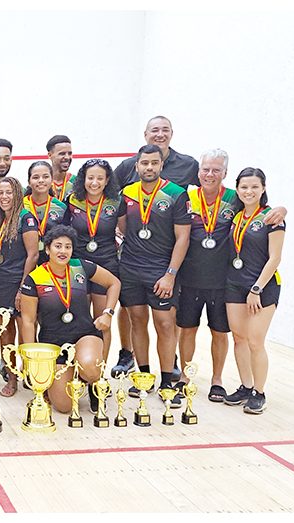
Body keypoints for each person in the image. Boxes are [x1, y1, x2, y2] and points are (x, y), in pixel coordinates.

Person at [177, 150, 286, 402]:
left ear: (225, 175)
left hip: (243, 286)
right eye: (206, 169)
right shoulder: (198, 201)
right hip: (214, 283)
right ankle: (233, 385)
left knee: (243, 338)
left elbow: (274, 252)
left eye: (216, 170)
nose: (210, 174)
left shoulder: (250, 209)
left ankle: (244, 388)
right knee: (227, 336)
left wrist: (283, 208)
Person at [112, 116, 199, 379]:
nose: (149, 167)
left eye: (154, 163)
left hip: (162, 270)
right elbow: (123, 227)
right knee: (137, 320)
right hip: (130, 268)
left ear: (162, 164)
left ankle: (168, 379)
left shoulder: (175, 193)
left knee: (164, 322)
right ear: (136, 166)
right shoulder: (126, 193)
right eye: (144, 163)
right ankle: (144, 375)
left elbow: (183, 238)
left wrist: (170, 274)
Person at [19, 226, 120, 413]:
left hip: (84, 335)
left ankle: (94, 384)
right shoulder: (35, 278)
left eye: (68, 247)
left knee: (90, 366)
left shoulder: (81, 267)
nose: (63, 251)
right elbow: (28, 321)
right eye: (58, 246)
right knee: (64, 407)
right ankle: (72, 374)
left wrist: (108, 313)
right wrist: (31, 359)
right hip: (53, 344)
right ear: (47, 249)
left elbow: (114, 283)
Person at [223, 168, 284, 414]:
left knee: (255, 341)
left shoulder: (272, 218)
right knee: (239, 338)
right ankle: (246, 387)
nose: (249, 191)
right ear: (237, 189)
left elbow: (275, 258)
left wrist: (256, 288)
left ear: (263, 188)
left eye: (254, 187)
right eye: (244, 187)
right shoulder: (236, 217)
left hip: (263, 287)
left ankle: (259, 392)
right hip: (234, 285)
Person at [64, 159, 121, 363]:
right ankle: (77, 367)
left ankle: (100, 374)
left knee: (101, 320)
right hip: (78, 266)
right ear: (83, 179)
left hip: (106, 266)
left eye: (99, 178)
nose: (94, 183)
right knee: (78, 319)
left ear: (107, 181)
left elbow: (126, 232)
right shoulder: (72, 201)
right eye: (90, 178)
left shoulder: (115, 203)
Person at [0, 177, 39, 396]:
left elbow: (33, 254)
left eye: (9, 193)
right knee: (5, 333)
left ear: (17, 194)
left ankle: (33, 375)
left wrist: (22, 287)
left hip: (20, 282)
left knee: (26, 331)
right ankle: (12, 378)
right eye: (0, 193)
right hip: (0, 283)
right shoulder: (0, 219)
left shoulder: (26, 218)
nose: (4, 197)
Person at [113, 115, 199, 189]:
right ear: (145, 135)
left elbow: (210, 188)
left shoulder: (189, 165)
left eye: (165, 130)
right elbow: (107, 193)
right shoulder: (127, 166)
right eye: (155, 130)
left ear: (171, 134)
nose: (160, 135)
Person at [23, 161, 68, 264]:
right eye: (35, 177)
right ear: (29, 182)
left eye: (45, 177)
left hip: (51, 262)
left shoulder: (61, 207)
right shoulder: (20, 205)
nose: (41, 181)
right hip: (24, 260)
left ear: (52, 180)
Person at [46, 135, 75, 201]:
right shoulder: (41, 182)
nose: (67, 157)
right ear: (50, 155)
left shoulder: (77, 182)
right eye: (62, 154)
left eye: (70, 153)